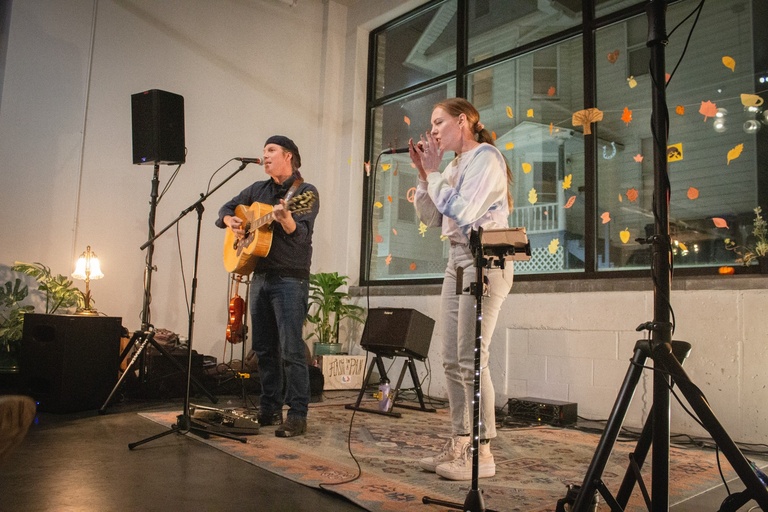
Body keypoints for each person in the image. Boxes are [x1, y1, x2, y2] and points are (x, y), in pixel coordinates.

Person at [409, 97, 514, 480]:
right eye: (431, 125)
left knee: (472, 358)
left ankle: (482, 452)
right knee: (451, 358)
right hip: (456, 259)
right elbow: (431, 216)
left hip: (485, 260)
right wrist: (425, 175)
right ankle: (460, 440)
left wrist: (435, 175)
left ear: (464, 121)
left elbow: (465, 211)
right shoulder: (452, 166)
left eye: (439, 122)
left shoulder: (487, 157)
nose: (433, 130)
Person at [216, 135, 319, 438]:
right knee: (263, 349)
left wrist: (285, 217)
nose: (265, 155)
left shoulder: (306, 193)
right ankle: (269, 408)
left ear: (289, 155)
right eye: (263, 151)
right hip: (259, 277)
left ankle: (297, 414)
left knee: (290, 349)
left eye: (271, 150)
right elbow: (228, 206)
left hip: (290, 278)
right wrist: (230, 221)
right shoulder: (257, 190)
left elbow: (300, 236)